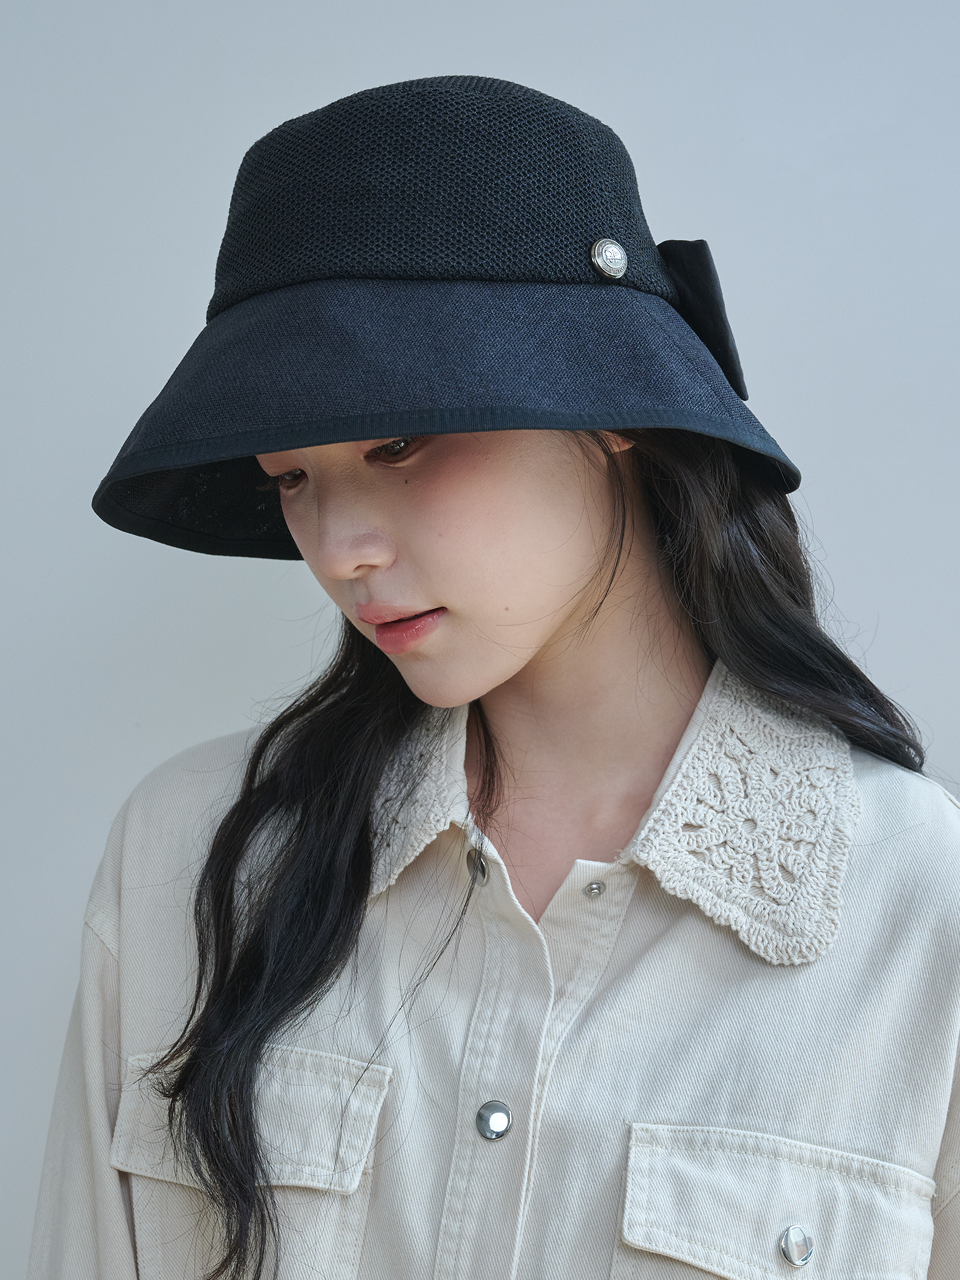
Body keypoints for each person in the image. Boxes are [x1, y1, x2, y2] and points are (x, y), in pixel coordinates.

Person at [28, 76, 960, 1280]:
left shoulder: (912, 906)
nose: (339, 549)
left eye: (400, 441)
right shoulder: (189, 860)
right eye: (291, 477)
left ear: (614, 408)